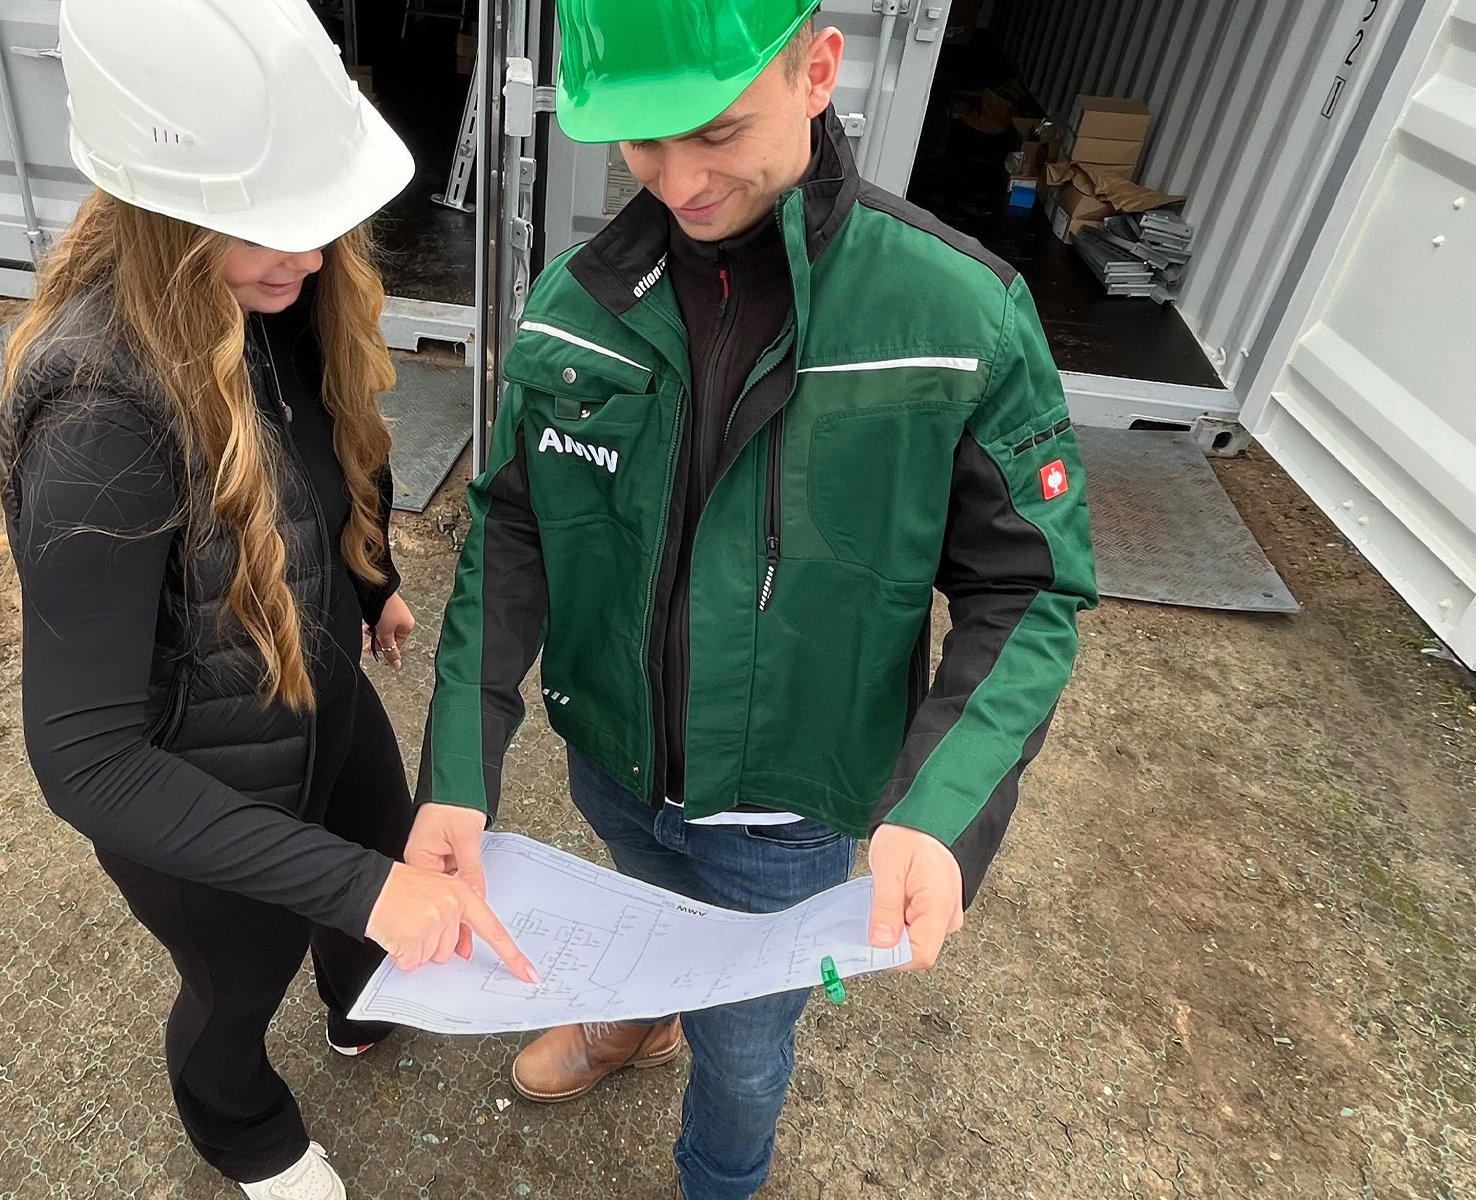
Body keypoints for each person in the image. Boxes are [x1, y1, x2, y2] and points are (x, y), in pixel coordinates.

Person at [407, 3, 1099, 1197]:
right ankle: (638, 1021)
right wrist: (459, 771)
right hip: (618, 765)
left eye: (717, 132)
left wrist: (939, 808)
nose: (678, 182)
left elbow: (1028, 583)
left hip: (789, 816)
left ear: (818, 71)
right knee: (635, 916)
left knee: (743, 1046)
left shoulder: (956, 317)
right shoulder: (577, 302)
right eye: (642, 142)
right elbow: (513, 528)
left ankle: (719, 1177)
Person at [0, 2, 536, 1198]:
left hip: (316, 688)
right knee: (237, 980)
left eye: (319, 217)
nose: (312, 253)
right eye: (273, 226)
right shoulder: (99, 417)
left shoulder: (277, 291)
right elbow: (84, 759)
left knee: (377, 847)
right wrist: (368, 890)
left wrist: (370, 578)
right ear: (164, 207)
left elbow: (330, 442)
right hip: (200, 779)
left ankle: (359, 998)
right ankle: (243, 1132)